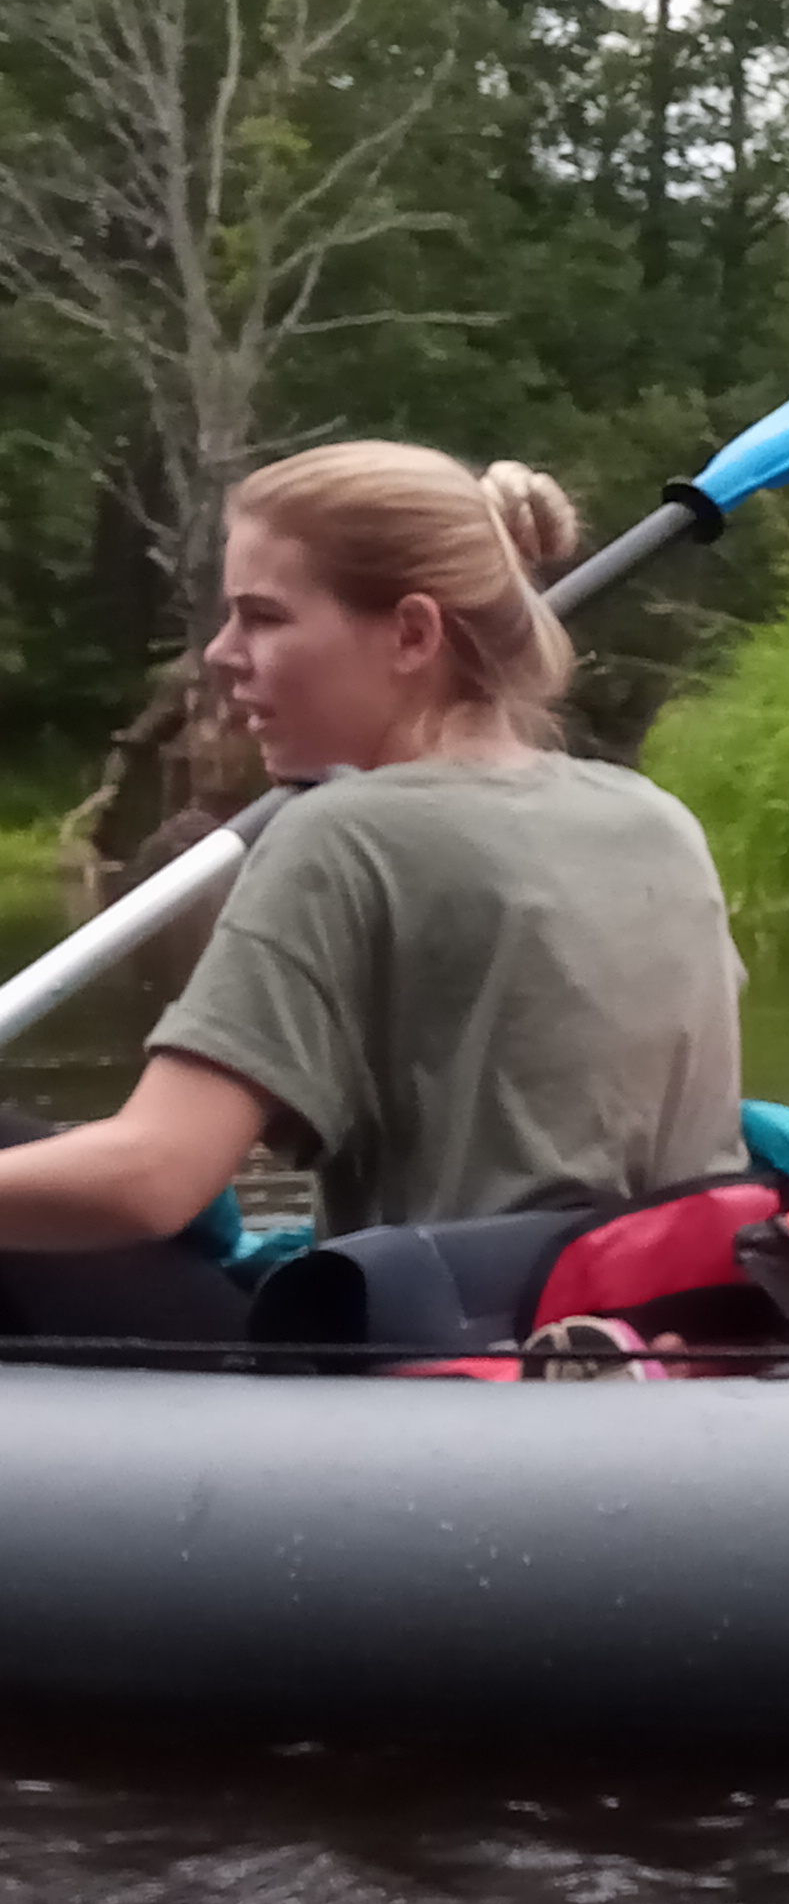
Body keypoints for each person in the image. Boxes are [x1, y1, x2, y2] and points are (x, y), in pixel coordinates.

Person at [0, 446, 746, 1335]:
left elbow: (155, 1178)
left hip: (431, 1347)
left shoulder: (341, 834)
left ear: (413, 635)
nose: (223, 655)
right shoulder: (656, 817)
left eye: (263, 618)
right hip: (665, 1319)